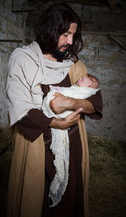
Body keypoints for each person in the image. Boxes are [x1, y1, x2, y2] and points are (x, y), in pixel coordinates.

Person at [6, 3, 103, 217]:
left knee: (69, 202)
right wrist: (56, 122)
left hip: (72, 147)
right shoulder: (24, 61)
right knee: (37, 203)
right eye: (65, 34)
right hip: (37, 148)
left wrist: (68, 102)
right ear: (50, 29)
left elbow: (95, 103)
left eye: (73, 35)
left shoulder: (74, 65)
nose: (70, 41)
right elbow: (19, 106)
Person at [42, 73, 100, 208]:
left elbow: (95, 103)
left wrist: (69, 102)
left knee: (70, 181)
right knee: (39, 184)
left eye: (83, 79)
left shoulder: (77, 70)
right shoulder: (31, 65)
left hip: (70, 134)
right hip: (41, 134)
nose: (79, 79)